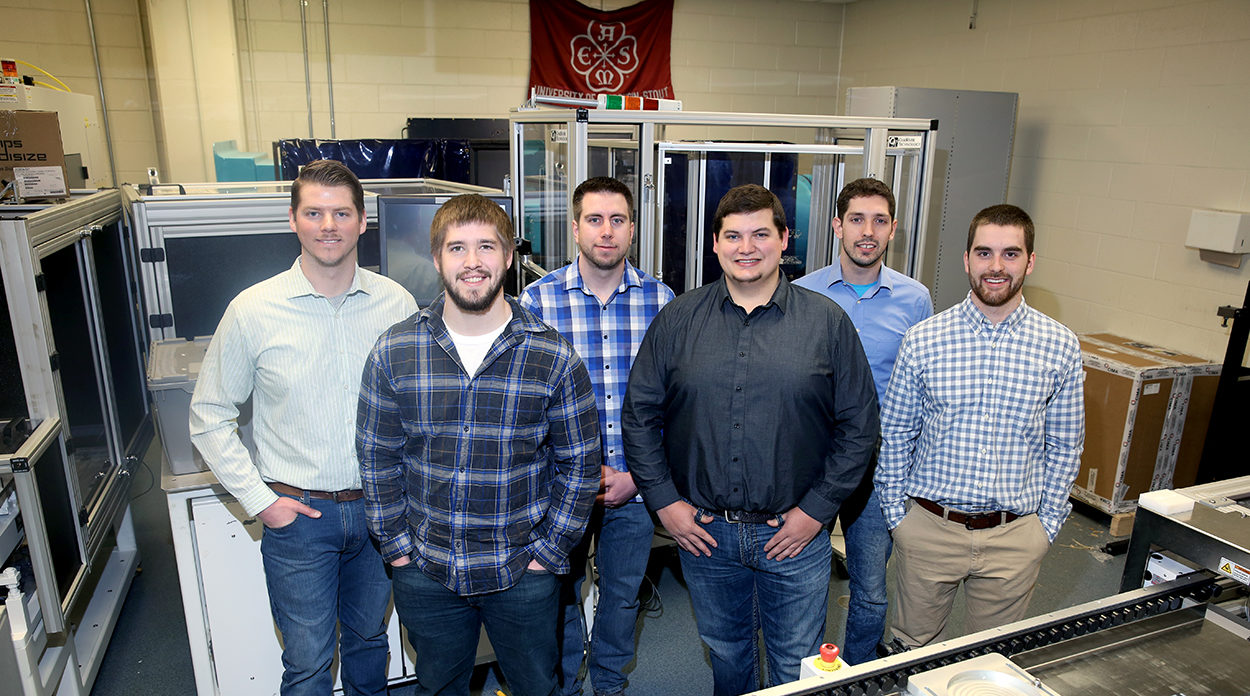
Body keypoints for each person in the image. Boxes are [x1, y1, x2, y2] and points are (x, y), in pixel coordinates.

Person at [622, 184, 879, 695]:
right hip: (704, 535)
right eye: (733, 235)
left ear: (785, 240)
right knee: (727, 654)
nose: (747, 247)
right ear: (714, 243)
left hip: (794, 536)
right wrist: (666, 504)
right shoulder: (677, 320)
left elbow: (860, 428)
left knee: (796, 664)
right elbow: (639, 417)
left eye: (761, 234)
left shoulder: (827, 323)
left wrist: (816, 511)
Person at [356, 193, 602, 696]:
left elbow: (579, 465)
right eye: (457, 248)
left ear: (509, 256)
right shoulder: (395, 351)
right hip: (427, 569)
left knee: (537, 687)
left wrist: (548, 553)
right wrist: (399, 551)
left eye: (486, 247)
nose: (472, 262)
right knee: (439, 687)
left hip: (523, 570)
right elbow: (378, 457)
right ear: (437, 258)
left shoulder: (551, 355)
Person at [189, 159, 417, 695]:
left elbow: (418, 409)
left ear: (364, 221)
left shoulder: (397, 304)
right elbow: (208, 415)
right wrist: (261, 501)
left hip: (380, 513)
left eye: (341, 212)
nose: (328, 225)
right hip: (298, 519)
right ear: (293, 220)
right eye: (314, 212)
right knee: (309, 663)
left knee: (369, 644)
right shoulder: (253, 310)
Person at [876, 203, 1085, 649]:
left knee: (992, 663)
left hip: (1016, 536)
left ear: (1030, 261)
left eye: (1011, 254)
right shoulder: (924, 340)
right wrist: (899, 519)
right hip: (929, 530)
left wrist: (1045, 526)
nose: (996, 266)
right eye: (984, 252)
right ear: (966, 259)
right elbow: (895, 434)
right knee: (911, 652)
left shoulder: (1059, 345)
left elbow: (1065, 446)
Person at [519, 177, 675, 696]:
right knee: (558, 595)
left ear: (632, 228)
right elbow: (524, 405)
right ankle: (562, 686)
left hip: (633, 486)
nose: (605, 232)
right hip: (560, 489)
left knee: (622, 596)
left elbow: (674, 404)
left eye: (617, 220)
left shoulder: (662, 300)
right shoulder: (536, 302)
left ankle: (609, 686)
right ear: (575, 227)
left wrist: (638, 477)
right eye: (594, 219)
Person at [794, 177, 933, 665]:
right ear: (837, 226)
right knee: (800, 583)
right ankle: (805, 673)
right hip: (812, 463)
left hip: (878, 468)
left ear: (893, 229)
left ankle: (851, 676)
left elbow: (922, 386)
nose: (867, 231)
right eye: (856, 219)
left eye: (878, 220)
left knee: (871, 588)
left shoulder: (915, 300)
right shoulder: (801, 294)